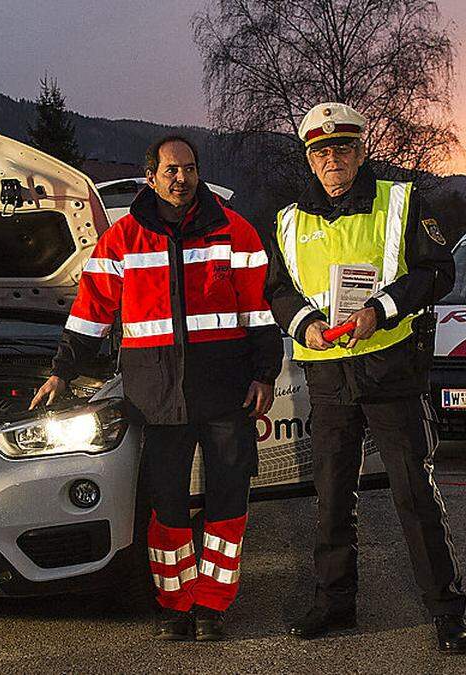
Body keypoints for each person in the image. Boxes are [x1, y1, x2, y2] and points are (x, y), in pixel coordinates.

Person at [32, 136, 283, 641]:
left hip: (227, 391)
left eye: (189, 169)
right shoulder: (123, 239)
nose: (181, 179)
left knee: (228, 500)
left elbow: (261, 311)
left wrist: (265, 373)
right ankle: (175, 605)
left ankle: (213, 604)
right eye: (171, 170)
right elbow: (91, 314)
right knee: (166, 503)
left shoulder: (235, 232)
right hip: (157, 396)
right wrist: (62, 370)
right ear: (151, 176)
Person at [263, 102, 466, 653]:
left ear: (362, 151)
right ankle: (335, 604)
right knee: (331, 494)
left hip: (389, 369)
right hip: (327, 376)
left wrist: (382, 309)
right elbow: (278, 291)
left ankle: (447, 612)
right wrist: (304, 323)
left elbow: (438, 271)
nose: (332, 158)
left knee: (411, 492)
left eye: (343, 148)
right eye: (321, 150)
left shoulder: (401, 201)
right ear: (309, 158)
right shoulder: (287, 219)